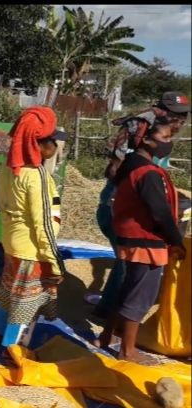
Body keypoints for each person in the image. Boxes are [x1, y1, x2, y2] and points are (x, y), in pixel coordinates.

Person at [94, 123, 186, 363]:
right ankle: (128, 351)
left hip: (130, 238)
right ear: (147, 141)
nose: (169, 141)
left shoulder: (131, 164)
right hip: (146, 241)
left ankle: (106, 337)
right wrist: (175, 241)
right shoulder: (148, 174)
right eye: (165, 136)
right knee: (141, 296)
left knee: (127, 289)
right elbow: (159, 212)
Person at [94, 91, 190, 318]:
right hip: (123, 210)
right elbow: (116, 173)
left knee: (128, 266)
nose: (182, 122)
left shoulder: (161, 138)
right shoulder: (141, 136)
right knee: (129, 266)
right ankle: (114, 319)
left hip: (138, 206)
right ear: (164, 114)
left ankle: (111, 318)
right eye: (178, 116)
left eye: (185, 117)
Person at [0, 106, 68, 348]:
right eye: (54, 141)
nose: (57, 148)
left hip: (12, 242)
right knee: (27, 302)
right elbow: (42, 223)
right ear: (40, 145)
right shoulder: (36, 176)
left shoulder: (8, 166)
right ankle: (14, 348)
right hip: (32, 249)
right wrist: (53, 260)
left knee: (10, 292)